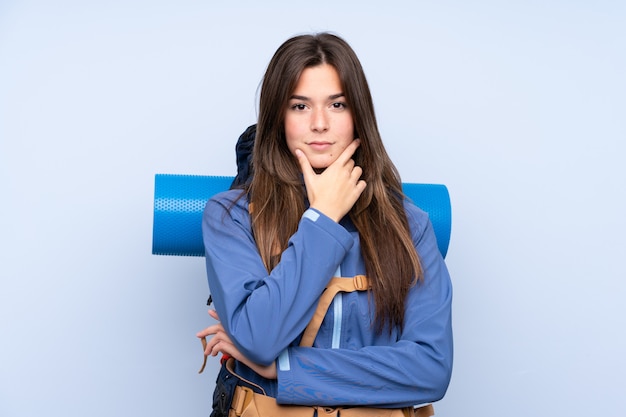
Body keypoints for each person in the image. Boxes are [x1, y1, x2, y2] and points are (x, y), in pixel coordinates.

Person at [196, 32, 453, 417]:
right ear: (277, 117)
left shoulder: (409, 224)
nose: (319, 123)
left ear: (358, 115)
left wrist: (287, 370)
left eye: (337, 104)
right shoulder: (231, 215)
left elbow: (431, 369)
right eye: (299, 106)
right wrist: (322, 219)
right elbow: (260, 339)